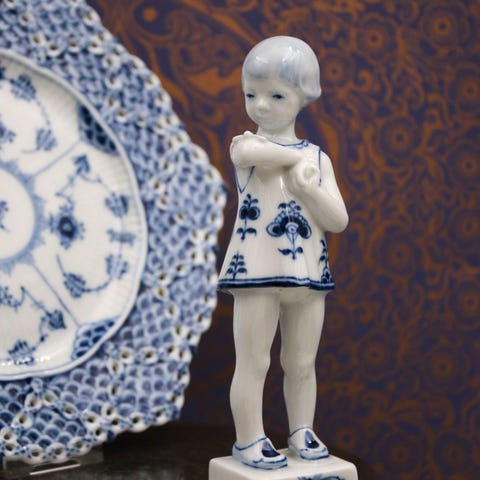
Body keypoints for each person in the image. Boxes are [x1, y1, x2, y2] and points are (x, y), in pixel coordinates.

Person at [218, 36, 348, 470]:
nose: (261, 105)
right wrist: (295, 165)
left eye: (276, 96)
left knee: (301, 361)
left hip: (307, 271)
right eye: (251, 94)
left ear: (302, 97)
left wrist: (309, 189)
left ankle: (301, 430)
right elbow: (253, 150)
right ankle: (248, 439)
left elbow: (338, 219)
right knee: (253, 360)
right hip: (256, 269)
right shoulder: (246, 147)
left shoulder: (317, 159)